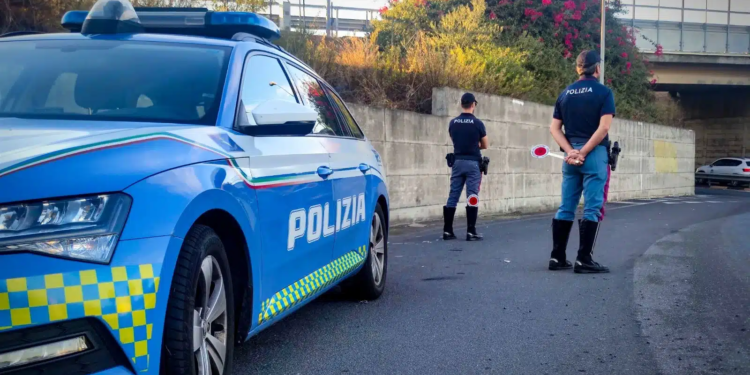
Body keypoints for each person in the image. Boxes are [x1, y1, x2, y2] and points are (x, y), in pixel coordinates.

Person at [548, 50, 614, 274]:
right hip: (593, 154)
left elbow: (554, 128)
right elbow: (604, 127)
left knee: (566, 205)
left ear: (577, 68)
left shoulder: (565, 94)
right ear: (597, 68)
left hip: (570, 156)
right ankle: (583, 259)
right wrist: (584, 152)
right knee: (592, 207)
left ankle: (557, 258)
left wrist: (570, 151)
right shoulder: (604, 93)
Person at [443, 93, 489, 241]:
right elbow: (485, 145)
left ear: (462, 104)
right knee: (472, 196)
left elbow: (454, 140)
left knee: (453, 195)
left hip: (457, 162)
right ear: (473, 105)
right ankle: (471, 231)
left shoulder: (453, 123)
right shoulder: (478, 124)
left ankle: (447, 231)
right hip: (473, 163)